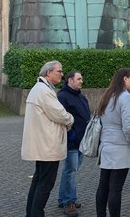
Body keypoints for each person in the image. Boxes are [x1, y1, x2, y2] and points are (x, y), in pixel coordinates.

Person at [21, 61, 74, 217]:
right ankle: (36, 214)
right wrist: (70, 119)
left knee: (38, 180)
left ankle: (31, 213)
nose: (62, 74)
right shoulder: (44, 91)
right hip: (47, 146)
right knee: (45, 183)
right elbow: (60, 114)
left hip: (43, 145)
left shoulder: (40, 89)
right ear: (48, 73)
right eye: (59, 71)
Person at [95, 68, 130, 217]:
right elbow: (127, 125)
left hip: (106, 145)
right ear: (125, 79)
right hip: (120, 147)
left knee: (103, 185)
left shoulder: (108, 95)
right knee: (115, 188)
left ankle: (100, 214)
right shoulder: (125, 97)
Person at [57, 71, 90, 216]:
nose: (81, 81)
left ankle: (63, 198)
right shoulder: (62, 96)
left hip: (81, 141)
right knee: (70, 171)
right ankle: (69, 201)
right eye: (78, 79)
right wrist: (71, 134)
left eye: (81, 79)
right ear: (70, 80)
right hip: (71, 141)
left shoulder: (82, 97)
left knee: (70, 171)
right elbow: (61, 118)